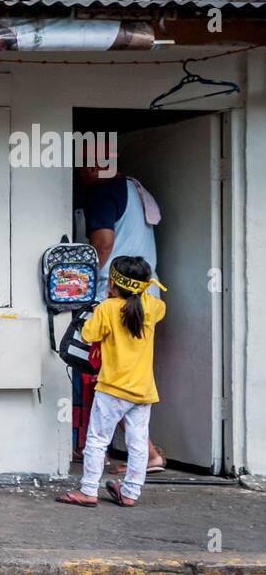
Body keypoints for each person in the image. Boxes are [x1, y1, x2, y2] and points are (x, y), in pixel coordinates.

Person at [56, 257, 166, 509]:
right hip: (143, 391)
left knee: (97, 439)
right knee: (138, 442)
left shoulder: (108, 308)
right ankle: (130, 493)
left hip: (112, 389)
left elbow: (88, 334)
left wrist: (107, 301)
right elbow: (158, 306)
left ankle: (88, 490)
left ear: (114, 284)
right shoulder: (152, 306)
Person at [78, 159, 165, 471]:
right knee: (126, 376)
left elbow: (102, 245)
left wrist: (84, 289)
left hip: (114, 298)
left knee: (106, 375)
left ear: (92, 167)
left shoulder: (103, 193)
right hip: (144, 300)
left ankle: (97, 451)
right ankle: (148, 454)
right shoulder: (135, 188)